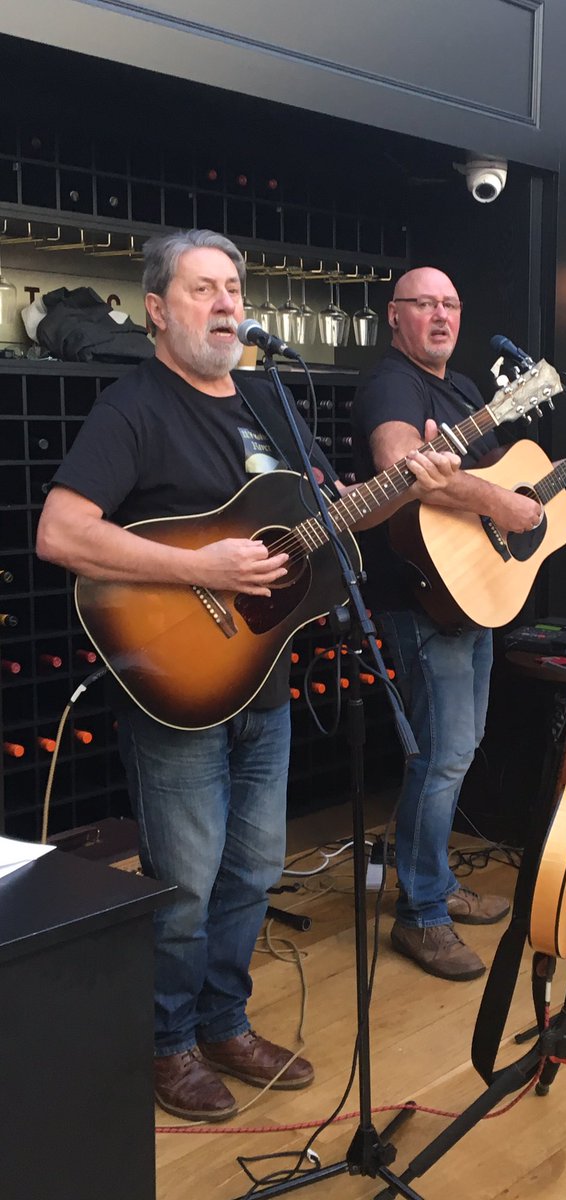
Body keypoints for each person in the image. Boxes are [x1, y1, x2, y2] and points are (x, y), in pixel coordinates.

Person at [35, 231, 460, 1122]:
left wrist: (404, 483)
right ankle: (168, 1043)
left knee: (255, 867)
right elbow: (62, 534)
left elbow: (311, 519)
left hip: (261, 675)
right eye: (203, 290)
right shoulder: (134, 407)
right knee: (184, 879)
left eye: (233, 288)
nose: (227, 304)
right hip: (176, 683)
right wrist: (205, 570)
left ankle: (225, 1020)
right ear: (157, 308)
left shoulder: (269, 401)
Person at [352, 266, 566, 982]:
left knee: (457, 749)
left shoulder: (465, 392)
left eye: (451, 303)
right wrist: (502, 508)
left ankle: (431, 883)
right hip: (420, 596)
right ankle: (421, 916)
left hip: (472, 591)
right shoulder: (393, 383)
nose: (440, 316)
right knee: (441, 756)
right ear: (395, 316)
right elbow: (398, 464)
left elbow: (513, 490)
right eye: (424, 305)